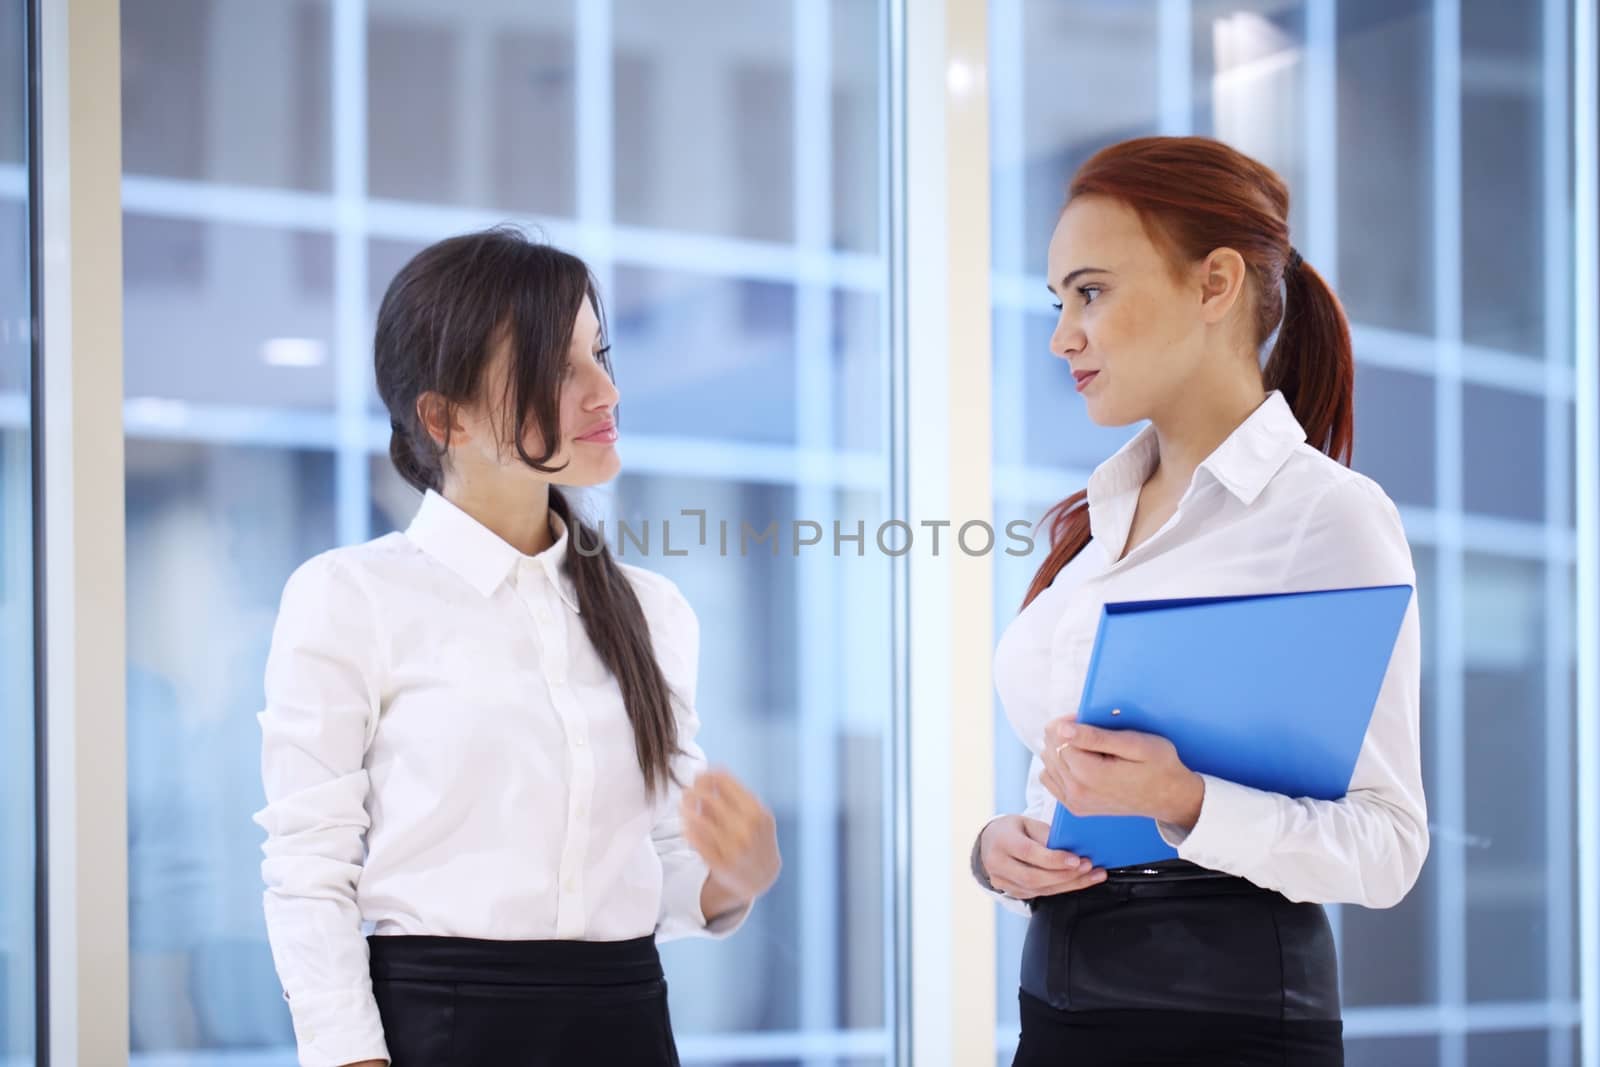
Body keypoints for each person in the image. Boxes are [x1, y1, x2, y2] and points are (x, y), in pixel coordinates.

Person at [253, 226, 782, 1067]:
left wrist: (738, 876)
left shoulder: (655, 611)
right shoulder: (350, 597)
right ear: (443, 415)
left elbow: (667, 868)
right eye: (557, 366)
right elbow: (308, 870)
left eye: (599, 353)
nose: (605, 390)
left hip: (627, 1025)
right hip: (438, 1028)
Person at [973, 136, 1427, 1066]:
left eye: (1090, 292)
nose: (1062, 334)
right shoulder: (1091, 525)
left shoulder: (1327, 516)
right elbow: (1066, 773)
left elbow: (1388, 845)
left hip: (1225, 1021)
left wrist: (1186, 799)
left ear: (1215, 285)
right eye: (1056, 301)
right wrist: (999, 848)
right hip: (1056, 1008)